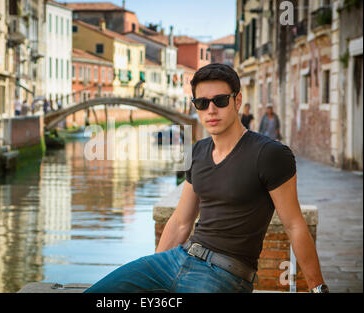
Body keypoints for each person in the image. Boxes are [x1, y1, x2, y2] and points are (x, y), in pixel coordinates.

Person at [83, 63, 328, 293]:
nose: (211, 110)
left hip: (224, 273)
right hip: (177, 258)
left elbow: (294, 225)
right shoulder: (197, 152)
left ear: (237, 100)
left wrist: (318, 289)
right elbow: (180, 221)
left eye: (220, 101)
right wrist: (156, 269)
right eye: (201, 103)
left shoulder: (270, 154)